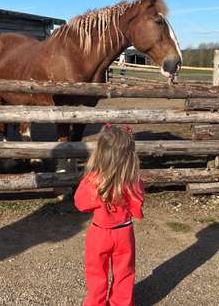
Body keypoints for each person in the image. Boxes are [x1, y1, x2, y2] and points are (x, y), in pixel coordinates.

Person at [74, 123, 144, 306]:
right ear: (130, 154)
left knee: (96, 272)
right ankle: (121, 303)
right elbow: (138, 205)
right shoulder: (133, 179)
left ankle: (95, 303)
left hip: (99, 232)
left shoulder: (92, 179)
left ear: (100, 152)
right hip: (124, 232)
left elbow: (80, 204)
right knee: (125, 272)